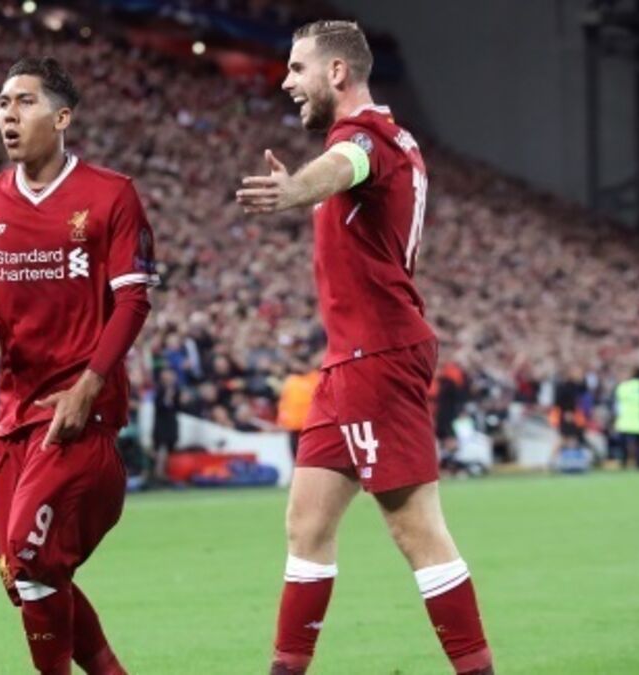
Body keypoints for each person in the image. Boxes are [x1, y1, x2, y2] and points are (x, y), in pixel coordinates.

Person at [236, 21, 492, 674]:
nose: (287, 82)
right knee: (307, 524)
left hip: (377, 357)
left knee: (416, 529)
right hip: (348, 361)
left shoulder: (365, 138)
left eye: (297, 69)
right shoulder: (390, 138)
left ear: (338, 72)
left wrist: (294, 189)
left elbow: (343, 166)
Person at [0, 56, 157, 674]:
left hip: (79, 416)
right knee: (24, 577)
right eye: (2, 104)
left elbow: (133, 301)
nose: (8, 115)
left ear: (62, 118)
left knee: (33, 562)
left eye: (25, 102)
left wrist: (90, 385)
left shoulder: (109, 194)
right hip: (12, 419)